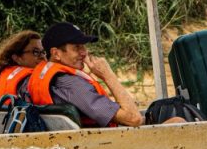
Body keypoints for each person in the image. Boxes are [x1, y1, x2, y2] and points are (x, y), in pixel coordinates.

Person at [20, 22, 184, 127]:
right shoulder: (71, 85)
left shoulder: (36, 79)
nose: (84, 53)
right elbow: (133, 118)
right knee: (178, 122)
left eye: (84, 47)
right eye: (77, 47)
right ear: (56, 53)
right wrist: (108, 75)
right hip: (106, 147)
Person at [0, 30, 43, 104]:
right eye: (35, 52)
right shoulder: (28, 81)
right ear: (17, 58)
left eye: (43, 52)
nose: (42, 56)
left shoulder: (2, 77)